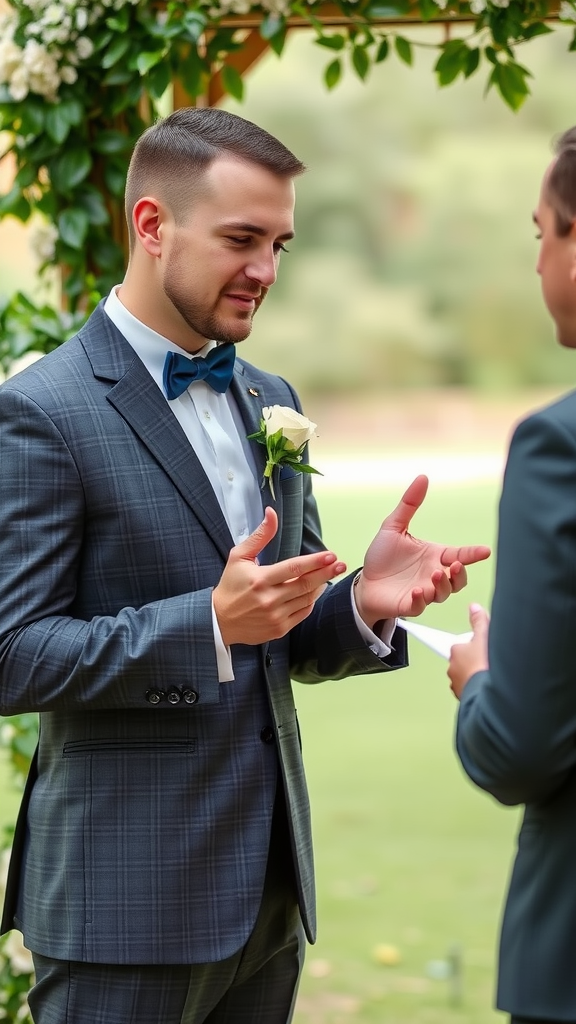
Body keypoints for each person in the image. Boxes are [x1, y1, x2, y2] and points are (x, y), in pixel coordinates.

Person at [0, 106, 489, 1024]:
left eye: (280, 245)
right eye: (241, 239)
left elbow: (278, 630)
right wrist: (207, 625)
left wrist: (359, 604)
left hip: (266, 895)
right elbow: (11, 653)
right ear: (152, 226)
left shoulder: (270, 397)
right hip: (124, 910)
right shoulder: (42, 413)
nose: (264, 271)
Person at [448, 125, 576, 1024]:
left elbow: (521, 746)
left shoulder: (558, 446)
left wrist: (477, 683)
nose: (538, 265)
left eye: (544, 234)